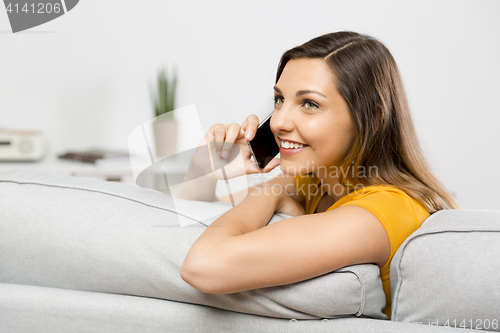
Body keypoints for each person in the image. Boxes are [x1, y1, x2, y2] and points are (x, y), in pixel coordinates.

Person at [178, 31, 460, 318]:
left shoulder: (382, 213)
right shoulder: (314, 181)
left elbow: (202, 265)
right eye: (279, 99)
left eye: (309, 104)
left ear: (373, 120)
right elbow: (177, 226)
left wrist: (270, 191)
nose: (278, 122)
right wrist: (206, 169)